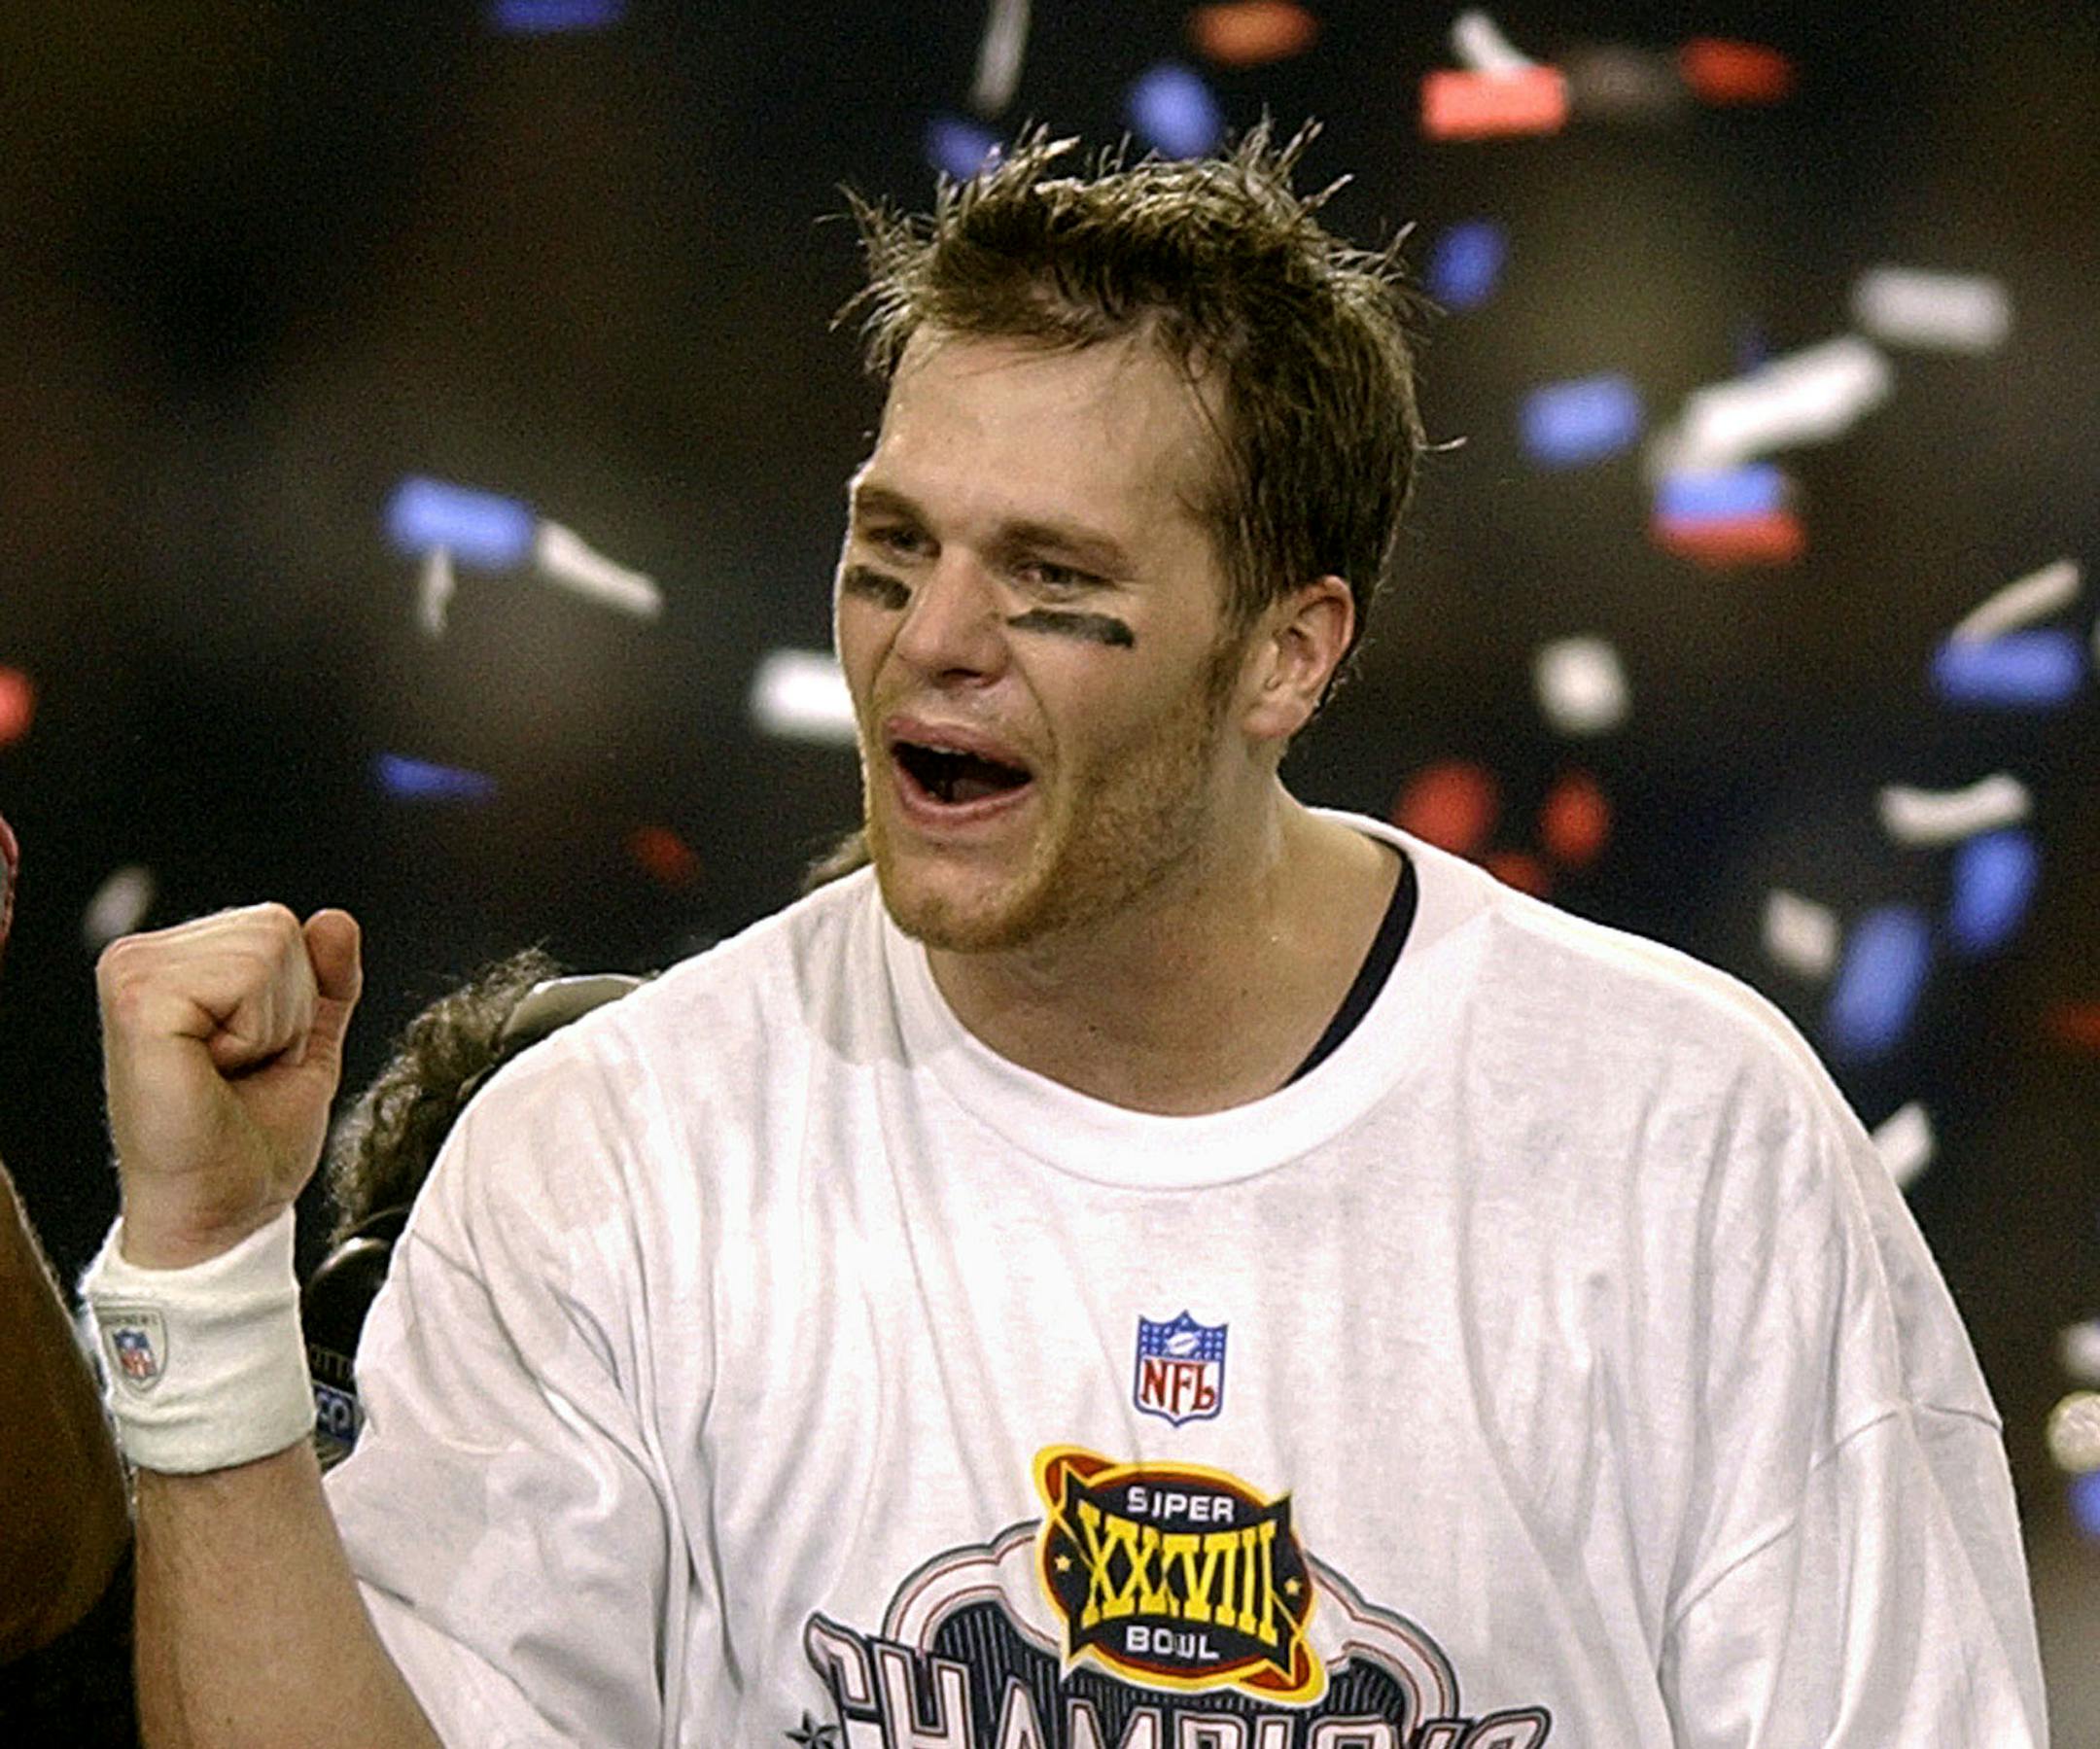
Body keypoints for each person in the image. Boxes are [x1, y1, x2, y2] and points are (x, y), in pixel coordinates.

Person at [87, 126, 2047, 1747]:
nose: (933, 636)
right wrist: (204, 1286)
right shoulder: (617, 1158)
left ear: (1292, 648)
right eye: (890, 551)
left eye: (1051, 576)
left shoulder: (1685, 1152)